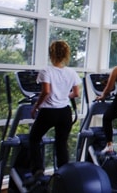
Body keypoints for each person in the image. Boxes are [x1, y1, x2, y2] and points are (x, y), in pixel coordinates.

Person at [29, 40, 81, 180]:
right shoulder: (71, 72)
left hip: (49, 112)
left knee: (33, 139)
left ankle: (38, 170)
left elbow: (46, 92)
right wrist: (63, 96)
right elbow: (76, 93)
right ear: (66, 54)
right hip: (65, 112)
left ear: (51, 53)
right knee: (61, 143)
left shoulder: (46, 70)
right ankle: (63, 175)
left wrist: (36, 107)